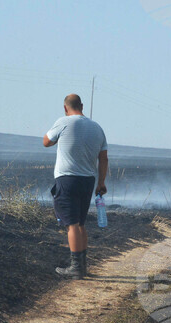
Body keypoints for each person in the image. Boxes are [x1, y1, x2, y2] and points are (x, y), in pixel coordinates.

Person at [42, 93, 108, 279]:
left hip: (67, 180)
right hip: (88, 181)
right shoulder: (97, 128)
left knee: (72, 225)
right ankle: (82, 266)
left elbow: (46, 141)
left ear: (65, 108)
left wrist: (59, 137)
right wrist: (101, 182)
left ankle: (76, 268)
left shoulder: (63, 122)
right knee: (80, 223)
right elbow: (103, 158)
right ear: (82, 106)